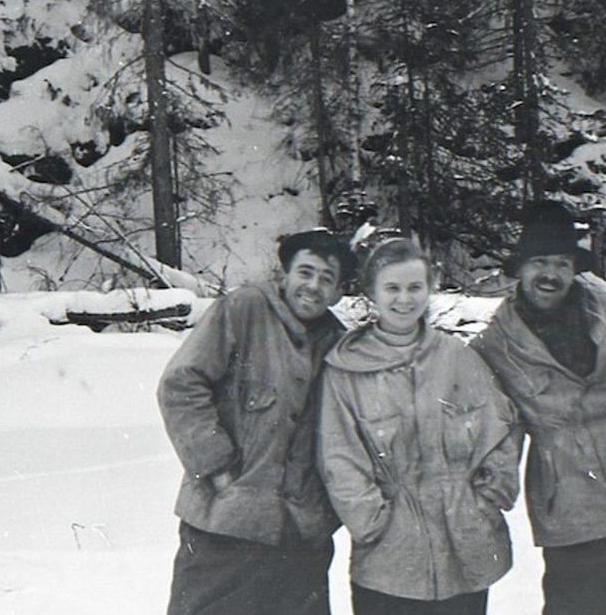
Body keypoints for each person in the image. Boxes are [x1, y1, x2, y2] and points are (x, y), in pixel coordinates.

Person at [470, 201, 606, 615]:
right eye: (540, 262)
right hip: (574, 511)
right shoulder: (494, 346)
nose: (551, 274)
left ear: (575, 269)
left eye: (562, 263)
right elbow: (492, 433)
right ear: (520, 268)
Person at [157, 229, 357, 615]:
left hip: (300, 537)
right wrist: (217, 468)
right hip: (225, 526)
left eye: (326, 279)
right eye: (306, 272)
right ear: (285, 274)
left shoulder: (338, 344)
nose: (313, 286)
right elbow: (181, 384)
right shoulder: (245, 309)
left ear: (337, 293)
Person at [318, 238, 521, 615]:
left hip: (466, 548)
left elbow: (503, 431)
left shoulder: (458, 358)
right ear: (371, 294)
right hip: (390, 560)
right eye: (392, 288)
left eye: (415, 287)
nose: (404, 299)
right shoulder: (345, 370)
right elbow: (339, 458)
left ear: (430, 288)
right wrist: (374, 524)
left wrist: (488, 499)